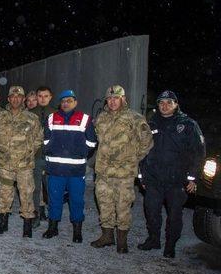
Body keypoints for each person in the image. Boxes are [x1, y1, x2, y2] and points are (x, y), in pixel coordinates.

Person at [138, 90, 205, 258]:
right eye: (161, 103)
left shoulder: (188, 125)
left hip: (177, 180)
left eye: (169, 102)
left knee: (174, 215)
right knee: (151, 211)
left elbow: (198, 152)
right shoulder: (151, 124)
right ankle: (154, 239)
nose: (165, 105)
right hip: (154, 178)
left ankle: (170, 245)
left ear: (176, 104)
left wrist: (192, 177)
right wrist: (142, 176)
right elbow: (141, 151)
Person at [91, 85, 153, 253]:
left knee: (123, 206)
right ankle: (107, 236)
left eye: (116, 98)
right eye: (109, 99)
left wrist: (133, 157)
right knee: (104, 204)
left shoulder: (134, 118)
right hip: (103, 172)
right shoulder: (101, 118)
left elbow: (147, 141)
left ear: (123, 99)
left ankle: (122, 241)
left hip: (124, 174)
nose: (112, 102)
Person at [42, 89, 96, 243]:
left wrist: (81, 152)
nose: (66, 103)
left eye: (69, 101)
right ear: (60, 103)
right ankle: (53, 228)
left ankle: (77, 231)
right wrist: (51, 149)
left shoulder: (85, 119)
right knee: (54, 199)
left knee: (77, 200)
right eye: (63, 101)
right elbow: (45, 139)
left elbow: (92, 142)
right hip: (55, 169)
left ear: (75, 102)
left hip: (76, 170)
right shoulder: (52, 118)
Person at [0, 86, 43, 237]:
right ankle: (3, 222)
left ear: (23, 99)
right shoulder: (1, 117)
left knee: (26, 194)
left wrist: (28, 152)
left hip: (24, 166)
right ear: (8, 99)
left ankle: (27, 225)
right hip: (5, 164)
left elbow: (38, 138)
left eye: (19, 97)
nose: (16, 99)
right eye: (12, 97)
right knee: (4, 193)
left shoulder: (32, 118)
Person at [30, 86, 57, 225]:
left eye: (46, 96)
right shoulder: (29, 114)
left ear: (50, 97)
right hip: (35, 156)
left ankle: (53, 217)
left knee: (52, 189)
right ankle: (35, 214)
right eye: (40, 96)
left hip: (51, 157)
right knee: (34, 188)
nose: (42, 99)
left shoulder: (56, 114)